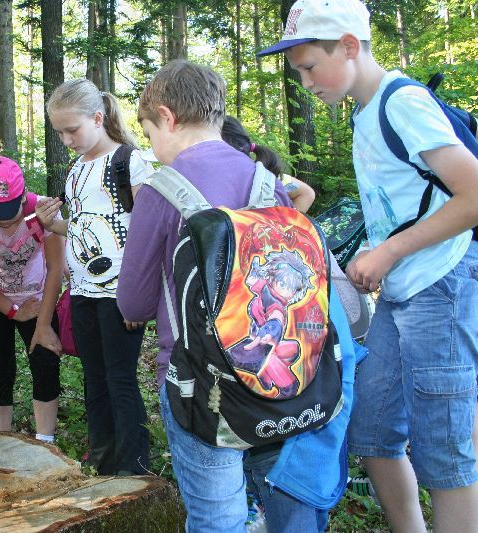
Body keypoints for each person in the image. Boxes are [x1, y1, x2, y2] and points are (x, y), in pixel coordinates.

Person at [257, 1, 478, 531]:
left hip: (442, 284)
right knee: (373, 433)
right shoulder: (365, 112)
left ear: (350, 46)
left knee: (444, 449)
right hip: (402, 294)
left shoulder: (402, 102)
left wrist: (389, 252)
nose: (306, 82)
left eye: (311, 67)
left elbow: (473, 193)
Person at [117, 59, 330, 532]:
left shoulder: (161, 189)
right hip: (275, 376)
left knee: (218, 516)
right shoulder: (266, 181)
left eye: (150, 133)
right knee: (285, 498)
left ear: (167, 117)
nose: (152, 146)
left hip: (199, 382)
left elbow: (132, 302)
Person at [35, 79, 153, 475]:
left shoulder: (129, 162)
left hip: (120, 294)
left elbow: (148, 231)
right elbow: (83, 229)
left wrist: (138, 296)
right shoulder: (76, 170)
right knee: (94, 378)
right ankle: (102, 462)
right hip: (83, 291)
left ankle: (134, 467)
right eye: (59, 132)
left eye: (72, 130)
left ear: (98, 118)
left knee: (120, 379)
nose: (66, 139)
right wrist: (53, 224)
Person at [0, 156, 64, 443]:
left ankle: (45, 441)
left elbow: (56, 267)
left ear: (22, 197)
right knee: (0, 370)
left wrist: (43, 325)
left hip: (38, 301)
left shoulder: (44, 212)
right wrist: (12, 311)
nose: (2, 222)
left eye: (8, 213)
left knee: (45, 364)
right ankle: (2, 442)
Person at [221, 115, 316, 213]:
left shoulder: (264, 178)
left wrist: (289, 219)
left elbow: (306, 193)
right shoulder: (263, 176)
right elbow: (307, 193)